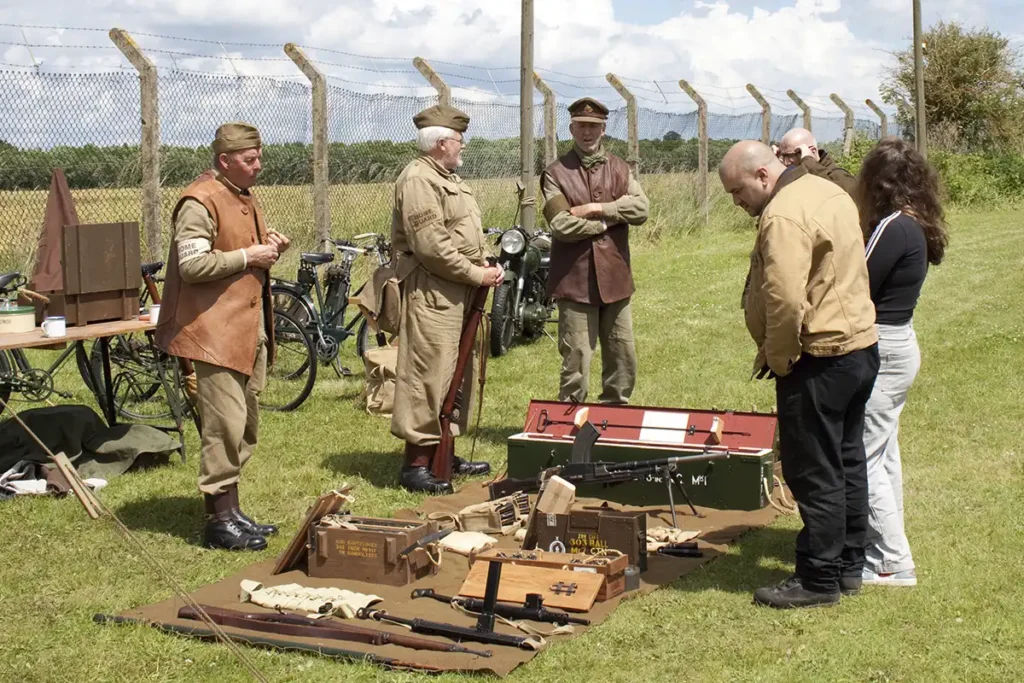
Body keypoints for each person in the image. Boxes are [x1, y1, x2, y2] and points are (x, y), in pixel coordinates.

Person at [719, 140, 880, 609]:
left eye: (737, 190)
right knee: (848, 459)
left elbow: (786, 300)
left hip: (819, 356)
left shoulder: (783, 214)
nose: (737, 202)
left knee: (814, 469)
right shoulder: (826, 191)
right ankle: (850, 565)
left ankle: (818, 578)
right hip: (858, 347)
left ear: (763, 176)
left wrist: (781, 357)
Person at [155, 122, 289, 551]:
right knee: (224, 426)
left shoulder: (240, 195)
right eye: (250, 160)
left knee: (245, 426)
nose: (258, 166)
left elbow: (237, 253)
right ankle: (217, 521)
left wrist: (267, 248)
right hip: (212, 331)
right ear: (224, 160)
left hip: (243, 328)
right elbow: (192, 266)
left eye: (259, 157)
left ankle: (231, 510)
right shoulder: (201, 200)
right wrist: (249, 254)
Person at [390, 104, 504, 495]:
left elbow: (467, 229)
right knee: (429, 373)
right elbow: (432, 246)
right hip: (433, 290)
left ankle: (446, 450)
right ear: (441, 143)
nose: (463, 147)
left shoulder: (450, 178)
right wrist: (477, 273)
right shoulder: (420, 180)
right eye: (459, 141)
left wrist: (487, 260)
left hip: (460, 288)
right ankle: (417, 463)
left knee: (457, 374)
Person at [855, 138, 948, 587]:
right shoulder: (917, 222)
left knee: (864, 457)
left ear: (879, 182)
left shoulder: (893, 227)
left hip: (885, 348)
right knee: (884, 454)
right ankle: (888, 547)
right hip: (900, 342)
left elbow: (859, 284)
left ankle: (892, 562)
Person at [541, 97, 649, 405]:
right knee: (576, 358)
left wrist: (597, 208)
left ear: (603, 130)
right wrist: (604, 225)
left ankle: (615, 416)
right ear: (571, 128)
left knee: (622, 355)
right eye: (581, 127)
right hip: (575, 282)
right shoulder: (555, 173)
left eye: (594, 127)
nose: (587, 133)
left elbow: (641, 208)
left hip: (616, 279)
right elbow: (561, 224)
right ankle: (569, 423)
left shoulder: (619, 168)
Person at [774, 127, 857, 195]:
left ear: (812, 151)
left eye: (790, 156)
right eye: (783, 156)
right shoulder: (795, 173)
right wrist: (774, 162)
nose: (786, 163)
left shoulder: (840, 176)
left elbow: (840, 195)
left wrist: (809, 162)